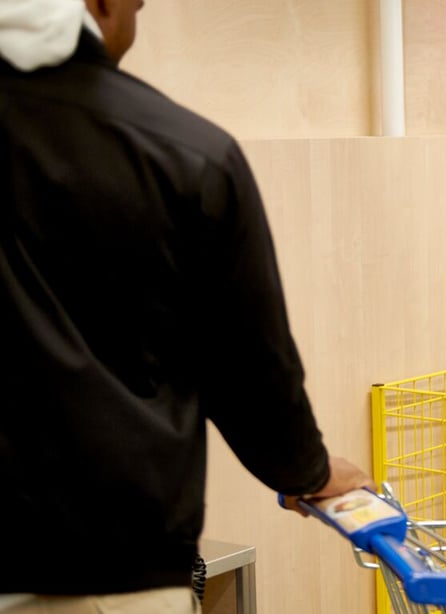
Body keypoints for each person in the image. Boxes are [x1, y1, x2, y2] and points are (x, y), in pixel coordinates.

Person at [0, 1, 371, 611]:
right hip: (113, 569)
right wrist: (308, 472)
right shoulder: (186, 153)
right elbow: (248, 366)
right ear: (101, 4)